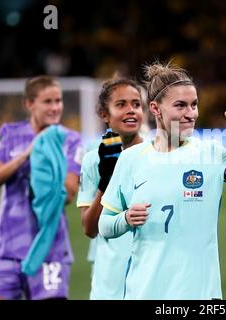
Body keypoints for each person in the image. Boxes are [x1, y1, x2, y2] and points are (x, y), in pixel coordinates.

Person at [98, 61, 226, 299]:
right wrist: (126, 219)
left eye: (194, 105)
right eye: (180, 105)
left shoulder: (212, 155)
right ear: (155, 108)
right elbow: (105, 225)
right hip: (145, 292)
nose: (190, 113)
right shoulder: (131, 159)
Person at [0, 75, 82, 300]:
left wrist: (45, 164)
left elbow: (69, 193)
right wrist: (26, 156)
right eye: (48, 102)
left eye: (58, 101)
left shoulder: (70, 140)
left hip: (50, 249)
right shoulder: (9, 133)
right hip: (5, 247)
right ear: (29, 104)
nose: (55, 108)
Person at [76, 77, 145, 299]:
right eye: (121, 104)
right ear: (104, 114)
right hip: (110, 279)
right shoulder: (92, 160)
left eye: (136, 104)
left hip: (150, 273)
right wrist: (106, 182)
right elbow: (89, 228)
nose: (131, 110)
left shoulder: (158, 155)